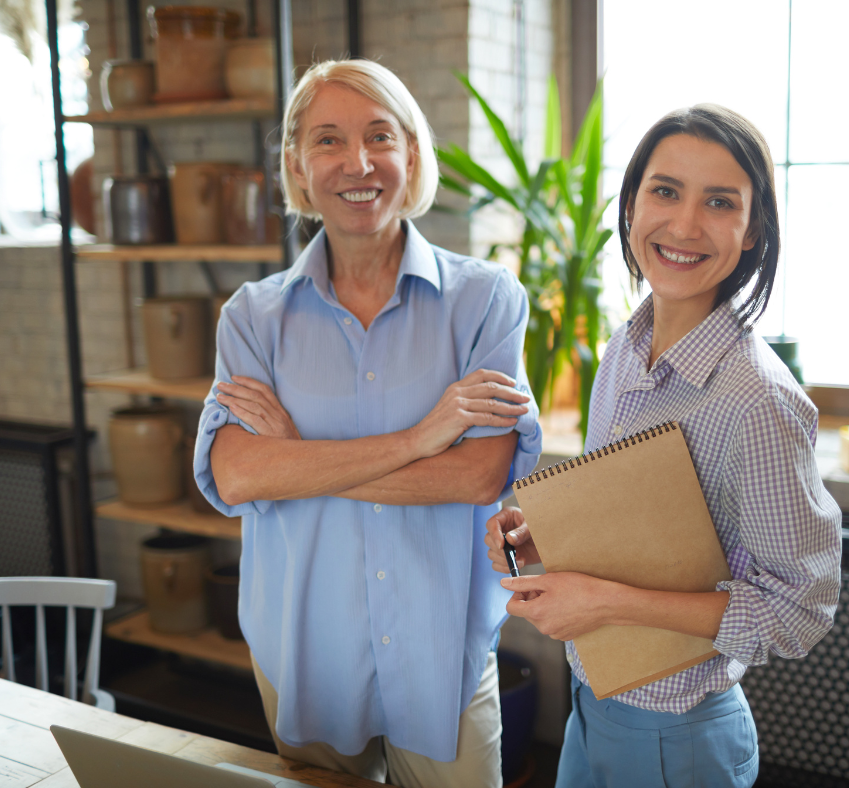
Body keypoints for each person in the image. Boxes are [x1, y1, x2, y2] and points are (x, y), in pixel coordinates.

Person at [193, 58, 542, 788]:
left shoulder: (485, 303)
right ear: (296, 163)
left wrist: (299, 459)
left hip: (442, 652)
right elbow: (237, 472)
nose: (358, 163)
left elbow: (479, 474)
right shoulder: (252, 319)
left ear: (411, 154)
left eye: (379, 136)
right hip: (306, 654)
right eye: (327, 140)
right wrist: (420, 439)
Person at [485, 104, 842, 788]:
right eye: (665, 190)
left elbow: (801, 610)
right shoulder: (625, 347)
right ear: (630, 205)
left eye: (719, 201)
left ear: (753, 229)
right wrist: (549, 538)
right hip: (592, 710)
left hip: (678, 743)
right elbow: (645, 529)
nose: (683, 225)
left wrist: (608, 603)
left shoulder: (758, 399)